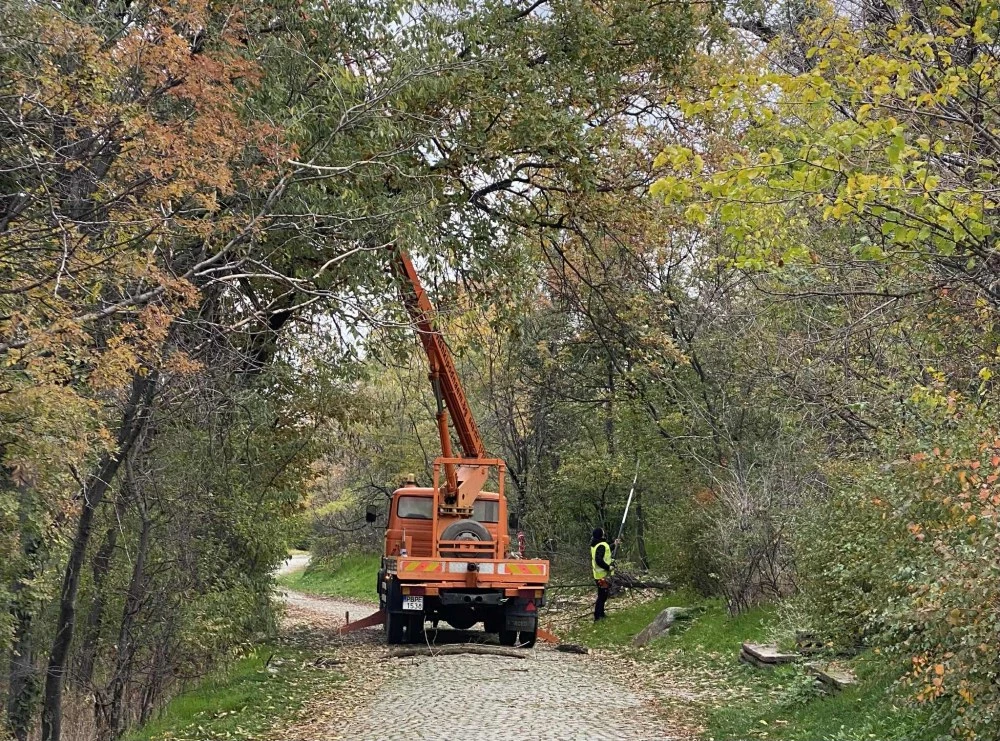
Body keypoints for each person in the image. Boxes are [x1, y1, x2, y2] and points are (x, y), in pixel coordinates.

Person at [590, 527, 617, 621]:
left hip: (599, 575)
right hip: (602, 575)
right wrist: (608, 567)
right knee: (602, 596)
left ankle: (601, 614)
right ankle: (598, 616)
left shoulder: (597, 544)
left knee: (603, 595)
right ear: (600, 534)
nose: (604, 532)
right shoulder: (601, 545)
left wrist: (614, 544)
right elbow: (599, 560)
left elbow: (606, 550)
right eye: (603, 531)